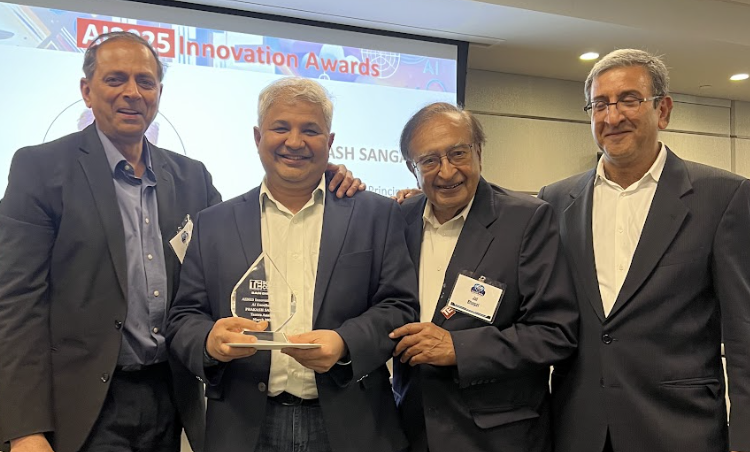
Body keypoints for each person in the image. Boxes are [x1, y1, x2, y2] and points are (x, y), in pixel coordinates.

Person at [0, 32, 363, 452]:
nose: (132, 93)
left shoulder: (192, 177)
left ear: (158, 93)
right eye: (115, 79)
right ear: (87, 90)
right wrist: (24, 428)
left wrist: (316, 175)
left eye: (145, 81)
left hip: (170, 395)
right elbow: (17, 303)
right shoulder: (40, 168)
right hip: (81, 403)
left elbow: (242, 242)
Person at [166, 77, 419, 452]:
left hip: (353, 422)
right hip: (244, 426)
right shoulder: (214, 223)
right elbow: (184, 316)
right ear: (258, 137)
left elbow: (399, 306)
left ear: (329, 142)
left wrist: (345, 343)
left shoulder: (376, 215)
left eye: (310, 130)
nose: (295, 142)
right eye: (281, 128)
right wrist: (208, 341)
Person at [536, 49, 750, 452]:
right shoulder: (555, 200)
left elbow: (744, 330)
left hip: (679, 429)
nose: (612, 116)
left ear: (662, 111)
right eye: (600, 104)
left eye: (629, 100)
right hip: (579, 429)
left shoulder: (723, 196)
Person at [389, 102, 578, 452]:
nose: (447, 172)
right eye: (429, 161)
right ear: (411, 168)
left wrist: (459, 349)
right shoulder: (398, 219)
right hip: (412, 431)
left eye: (458, 153)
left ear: (479, 152)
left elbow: (555, 332)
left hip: (497, 437)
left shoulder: (527, 220)